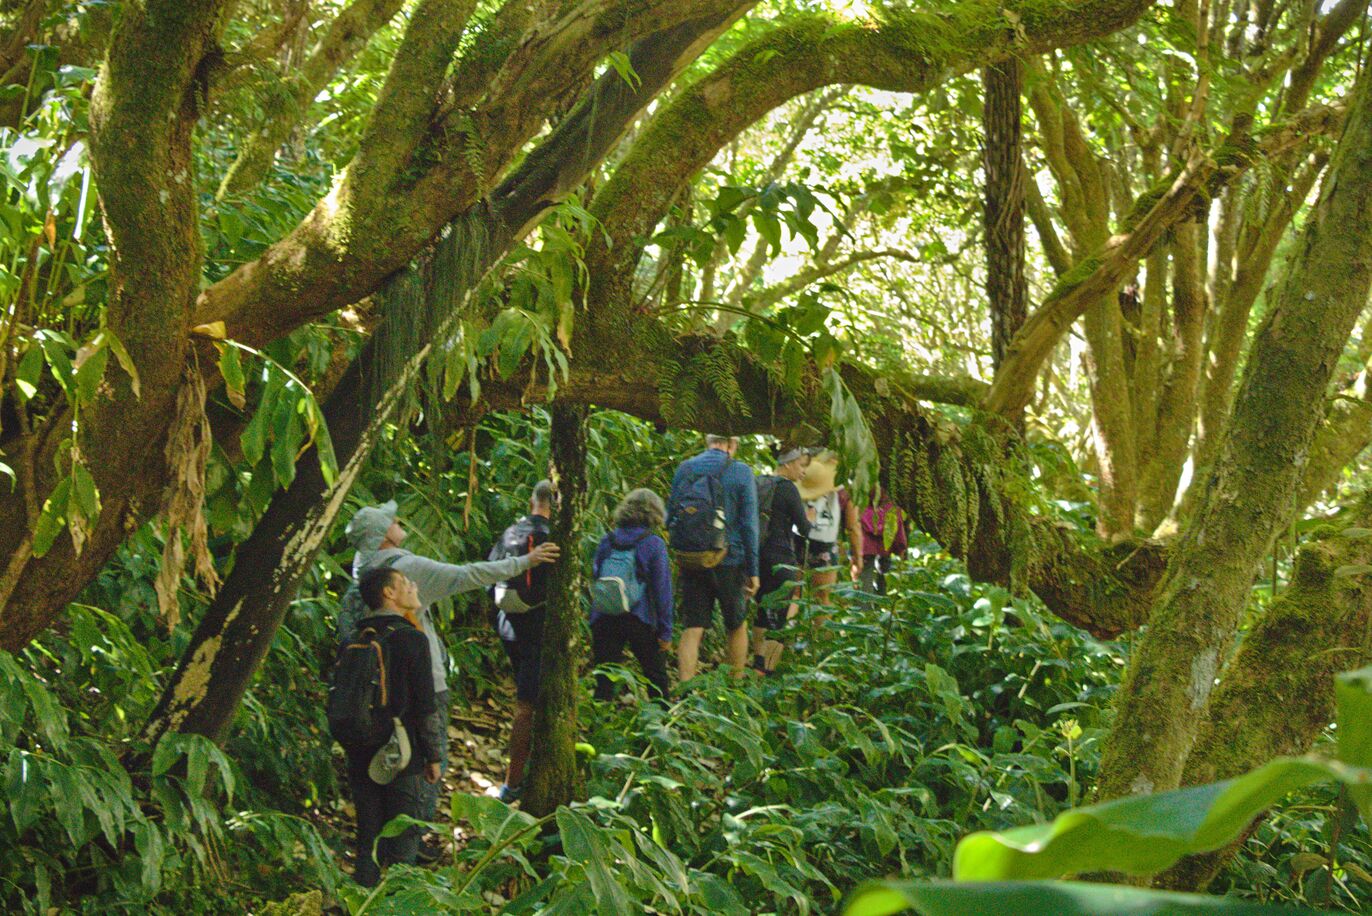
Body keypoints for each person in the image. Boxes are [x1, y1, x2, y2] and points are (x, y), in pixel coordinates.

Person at [344, 500, 560, 829]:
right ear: (383, 537)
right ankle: (411, 840)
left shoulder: (363, 566)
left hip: (374, 684)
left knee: (385, 759)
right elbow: (467, 576)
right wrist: (525, 562)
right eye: (390, 520)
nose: (398, 519)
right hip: (421, 679)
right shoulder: (404, 570)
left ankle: (382, 840)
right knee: (424, 763)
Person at [343, 567, 443, 887]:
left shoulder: (354, 638)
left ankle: (362, 901)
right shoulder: (413, 639)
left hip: (360, 749)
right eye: (404, 583)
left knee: (368, 841)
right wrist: (434, 756)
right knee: (403, 840)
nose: (412, 587)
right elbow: (426, 705)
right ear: (389, 593)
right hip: (404, 752)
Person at [486, 480, 557, 803]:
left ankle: (519, 775)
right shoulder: (553, 537)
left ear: (532, 501)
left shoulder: (510, 532)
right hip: (536, 629)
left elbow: (489, 576)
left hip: (508, 625)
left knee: (528, 701)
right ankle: (512, 783)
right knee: (526, 708)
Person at [667, 434, 760, 681]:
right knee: (736, 624)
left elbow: (670, 516)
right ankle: (734, 690)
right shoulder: (740, 471)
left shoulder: (685, 468)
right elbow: (750, 524)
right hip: (729, 559)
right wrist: (754, 571)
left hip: (692, 559)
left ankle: (685, 693)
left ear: (709, 441)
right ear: (733, 444)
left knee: (693, 627)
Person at [590, 488, 673, 701]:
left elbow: (596, 574)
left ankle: (600, 724)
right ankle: (660, 722)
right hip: (639, 618)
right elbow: (662, 589)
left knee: (605, 679)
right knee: (656, 678)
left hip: (604, 615)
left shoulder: (607, 540)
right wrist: (665, 631)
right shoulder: (653, 543)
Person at [751, 446, 811, 674]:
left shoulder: (759, 483)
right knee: (778, 618)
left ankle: (757, 662)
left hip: (758, 557)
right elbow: (805, 529)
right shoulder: (788, 488)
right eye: (801, 465)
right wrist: (811, 520)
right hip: (781, 560)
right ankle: (767, 672)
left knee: (762, 611)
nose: (803, 471)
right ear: (788, 464)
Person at [795, 450, 843, 603]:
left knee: (793, 592)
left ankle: (790, 624)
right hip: (825, 542)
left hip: (799, 537)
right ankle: (821, 627)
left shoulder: (800, 490)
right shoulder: (834, 492)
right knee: (823, 596)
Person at [842, 486, 908, 598]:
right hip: (879, 537)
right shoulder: (890, 500)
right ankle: (876, 607)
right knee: (876, 577)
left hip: (865, 540)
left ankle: (869, 609)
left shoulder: (860, 495)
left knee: (866, 581)